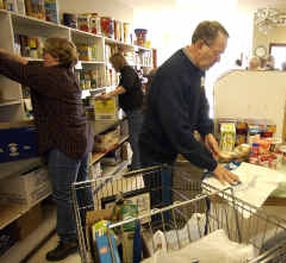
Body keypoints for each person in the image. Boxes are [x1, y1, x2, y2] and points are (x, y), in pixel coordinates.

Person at [0, 38, 93, 261]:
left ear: (57, 57)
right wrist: (5, 51)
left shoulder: (50, 77)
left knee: (63, 195)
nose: (43, 56)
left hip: (65, 144)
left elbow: (19, 71)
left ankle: (69, 239)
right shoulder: (66, 73)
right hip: (81, 140)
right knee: (81, 188)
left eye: (47, 54)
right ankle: (90, 226)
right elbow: (26, 64)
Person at [139, 20, 239, 198]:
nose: (219, 59)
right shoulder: (172, 73)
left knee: (168, 196)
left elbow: (201, 102)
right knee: (160, 205)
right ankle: (161, 226)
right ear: (201, 45)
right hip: (156, 152)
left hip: (171, 148)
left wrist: (206, 131)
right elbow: (177, 129)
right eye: (217, 53)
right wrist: (212, 165)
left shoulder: (198, 68)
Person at [97, 53, 144, 169]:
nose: (113, 67)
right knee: (134, 138)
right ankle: (137, 163)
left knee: (135, 139)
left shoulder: (128, 72)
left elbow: (124, 88)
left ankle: (137, 166)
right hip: (133, 110)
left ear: (117, 62)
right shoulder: (125, 73)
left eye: (113, 64)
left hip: (136, 110)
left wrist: (108, 95)